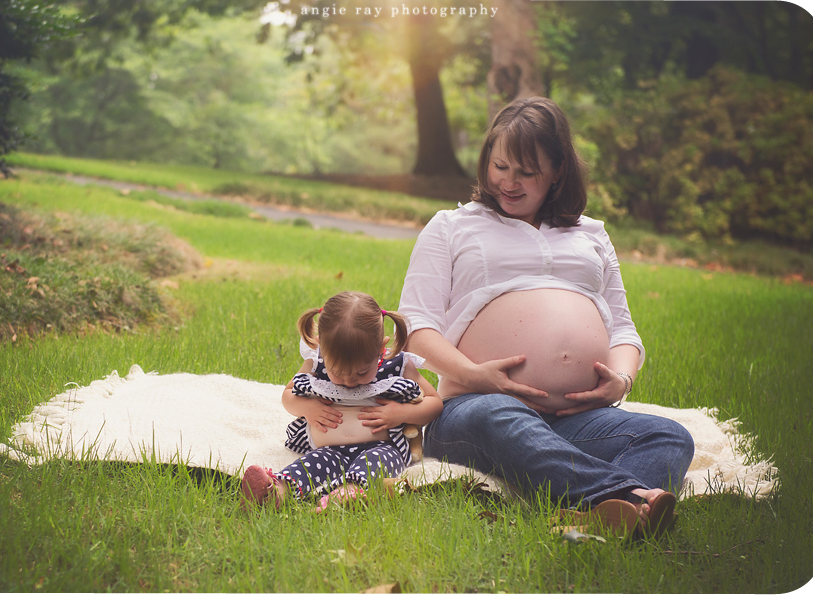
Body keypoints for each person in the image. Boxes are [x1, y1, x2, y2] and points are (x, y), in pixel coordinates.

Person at [398, 97, 694, 536]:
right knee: (499, 416)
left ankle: (598, 517)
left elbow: (623, 329)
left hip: (575, 419)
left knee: (670, 437)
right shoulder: (452, 226)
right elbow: (415, 327)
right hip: (474, 409)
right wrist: (475, 376)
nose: (509, 182)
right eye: (501, 166)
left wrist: (621, 380)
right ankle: (631, 497)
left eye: (527, 172)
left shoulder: (591, 234)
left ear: (557, 171)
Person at [241, 291, 443, 511]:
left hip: (382, 446)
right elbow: (288, 396)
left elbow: (434, 402)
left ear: (380, 348)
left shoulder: (396, 365)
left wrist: (401, 414)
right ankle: (277, 491)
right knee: (311, 465)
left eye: (361, 372)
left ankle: (350, 492)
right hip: (331, 449)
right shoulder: (316, 362)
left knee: (375, 463)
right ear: (320, 347)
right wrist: (308, 408)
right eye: (337, 372)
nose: (348, 381)